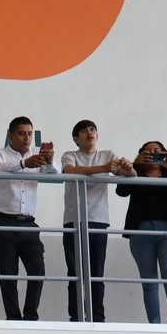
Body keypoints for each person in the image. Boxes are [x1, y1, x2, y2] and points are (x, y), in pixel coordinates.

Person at [60, 120, 133, 322]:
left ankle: (97, 318)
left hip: (99, 220)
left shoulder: (108, 154)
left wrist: (129, 168)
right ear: (76, 139)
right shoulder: (70, 155)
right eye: (84, 131)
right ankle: (76, 317)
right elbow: (70, 171)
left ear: (97, 135)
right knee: (76, 273)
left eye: (92, 130)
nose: (89, 133)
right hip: (74, 221)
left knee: (96, 273)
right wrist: (105, 168)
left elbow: (129, 174)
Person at [0, 117, 59, 321]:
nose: (27, 138)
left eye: (30, 134)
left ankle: (30, 316)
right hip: (3, 221)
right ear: (10, 135)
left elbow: (56, 174)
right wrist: (23, 163)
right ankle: (13, 318)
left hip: (29, 222)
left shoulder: (37, 153)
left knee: (38, 270)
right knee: (8, 275)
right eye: (21, 133)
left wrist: (49, 162)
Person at [114, 141, 167, 324]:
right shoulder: (135, 173)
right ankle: (154, 325)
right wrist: (134, 166)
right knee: (149, 281)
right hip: (141, 232)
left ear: (165, 153)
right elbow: (121, 191)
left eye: (157, 151)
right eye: (147, 152)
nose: (152, 154)